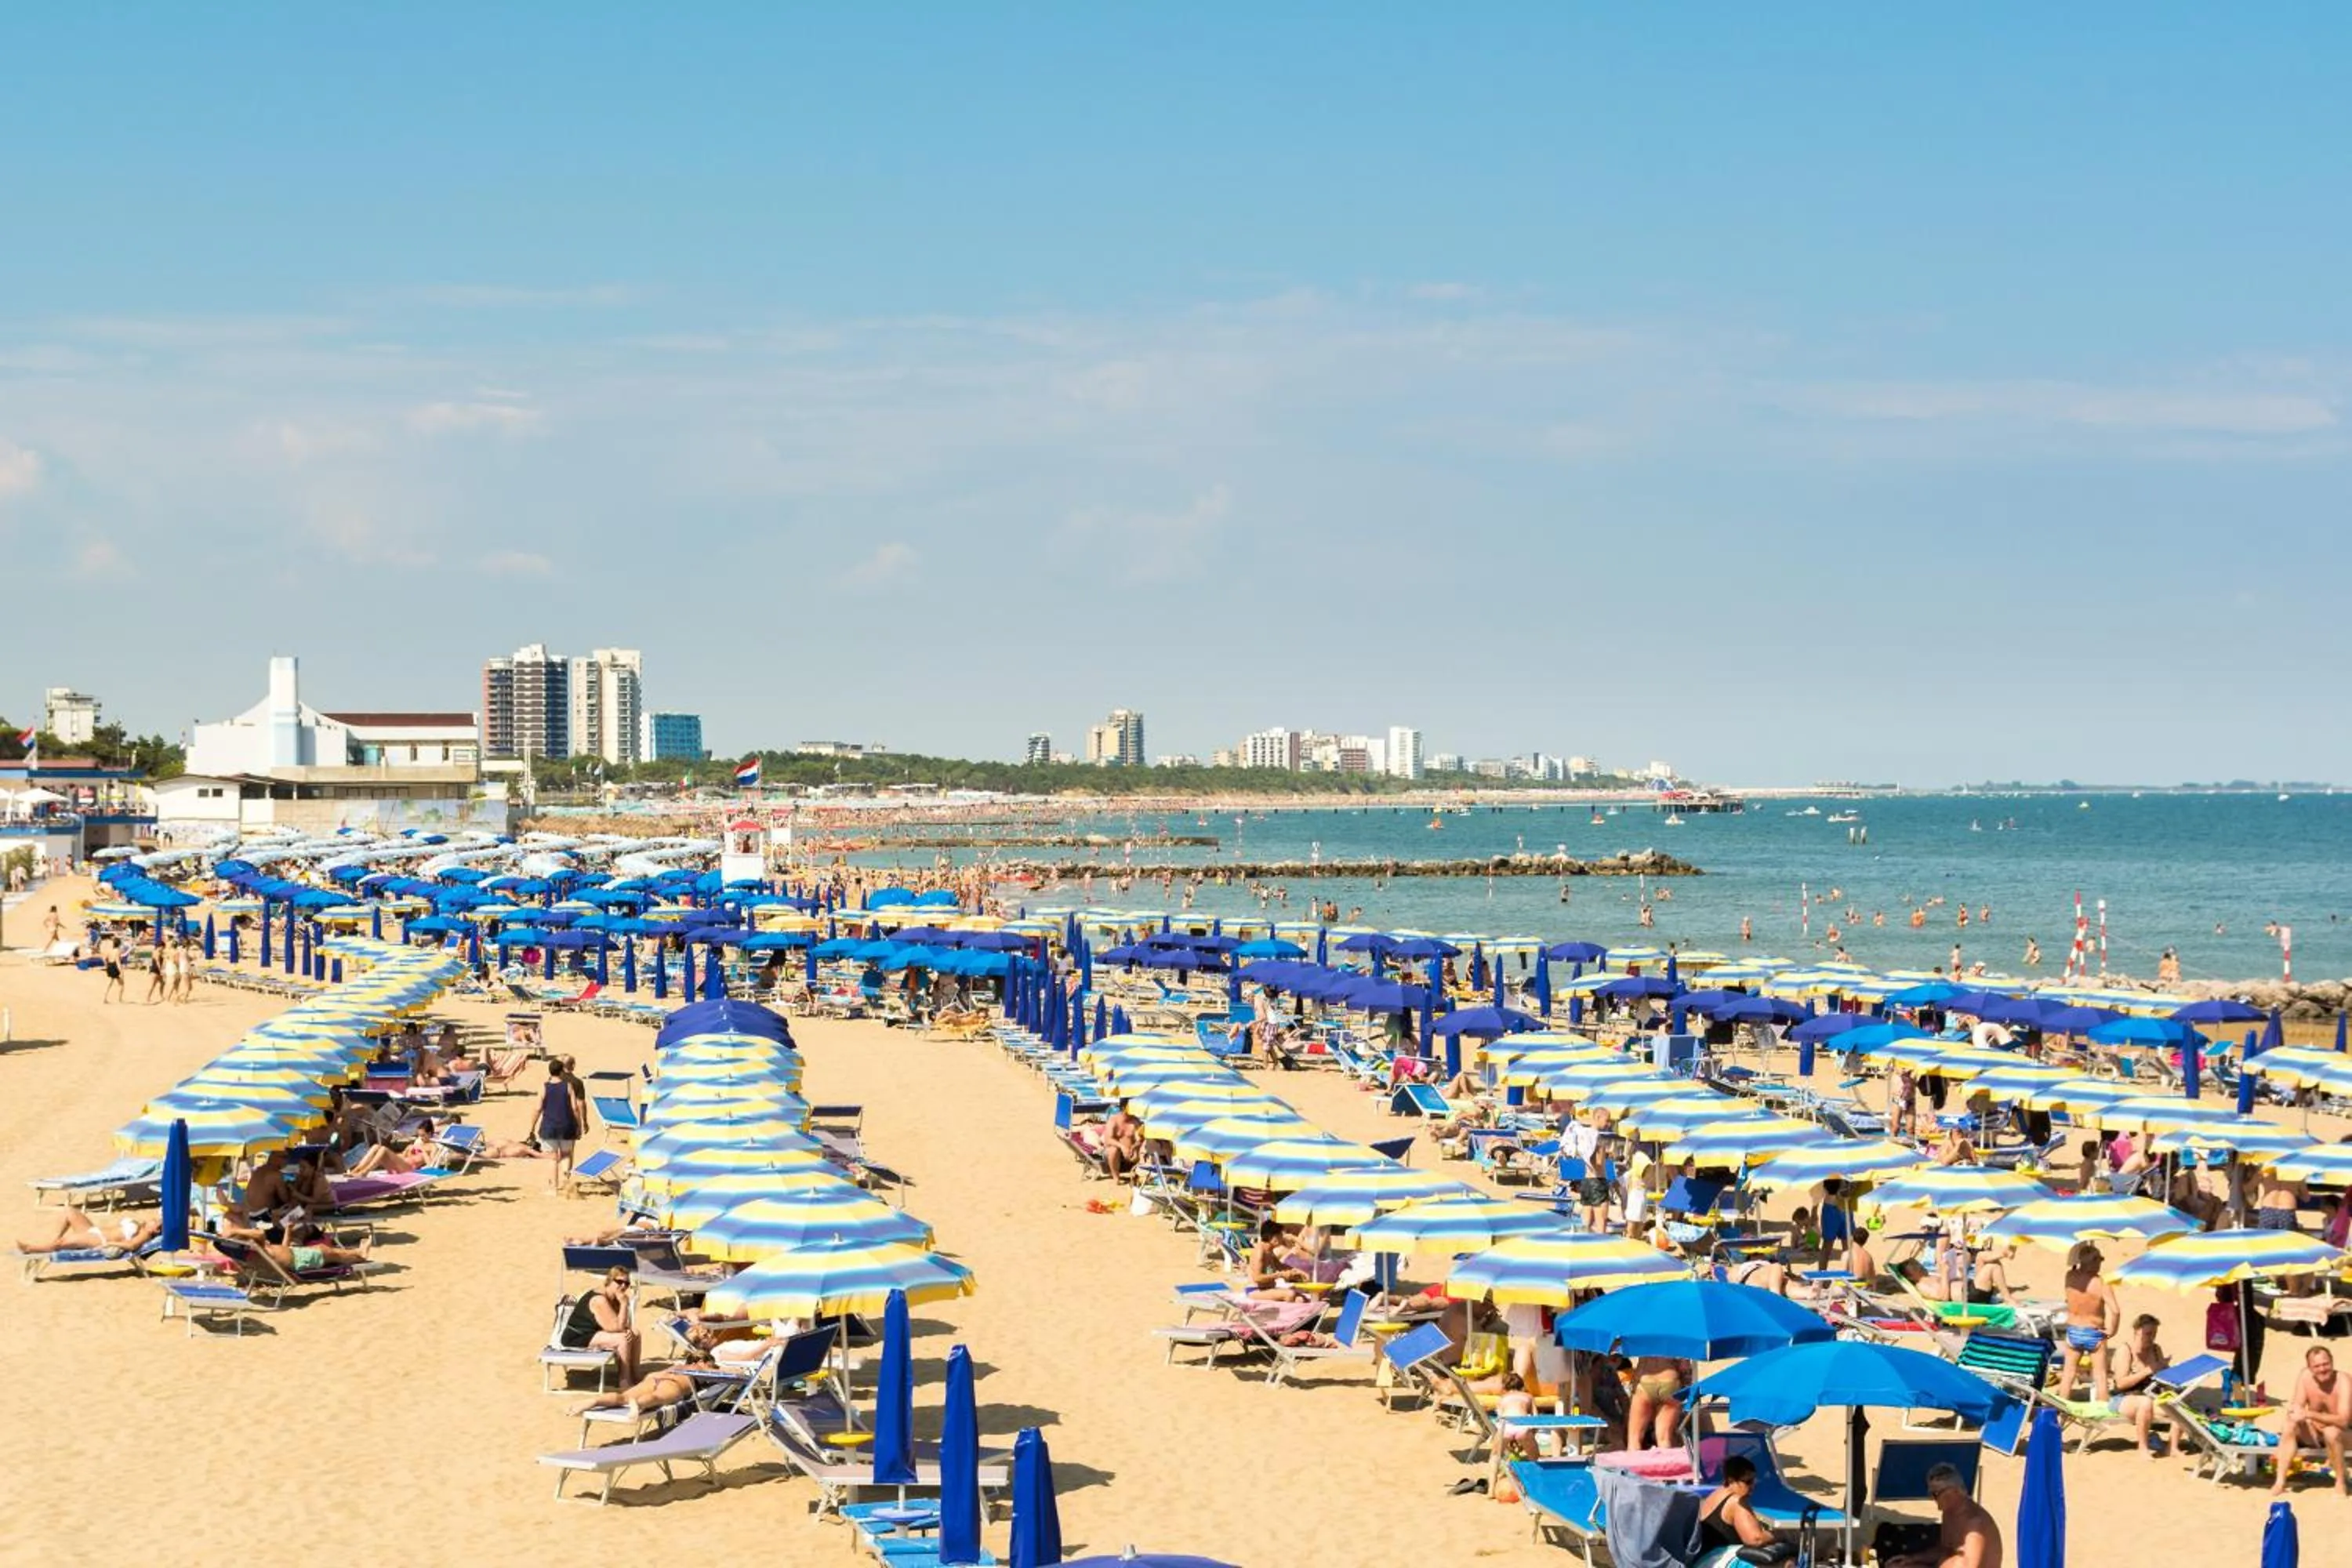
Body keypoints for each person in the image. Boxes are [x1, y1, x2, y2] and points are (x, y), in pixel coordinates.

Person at [1886, 1463, 2003, 1567]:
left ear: (1955, 1491)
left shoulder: (1975, 1524)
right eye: (1931, 1493)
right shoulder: (1949, 1513)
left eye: (1936, 1493)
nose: (1933, 1498)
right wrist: (1912, 1559)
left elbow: (1969, 1565)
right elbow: (1944, 1551)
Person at [2274, 1345, 2352, 1496]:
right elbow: (2296, 1409)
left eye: (2326, 1364)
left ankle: (2340, 1482)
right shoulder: (2305, 1377)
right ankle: (2280, 1482)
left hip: (2345, 1434)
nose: (2322, 1369)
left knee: (2331, 1432)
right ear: (2309, 1368)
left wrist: (2309, 1415)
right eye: (2317, 1366)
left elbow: (2344, 1421)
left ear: (2332, 1362)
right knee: (2290, 1425)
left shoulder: (2343, 1381)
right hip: (2316, 1433)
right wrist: (2296, 1414)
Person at [2056, 1242, 2118, 1405]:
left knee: (2068, 1373)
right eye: (2096, 1260)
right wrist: (2113, 1330)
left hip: (2074, 1330)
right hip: (2094, 1331)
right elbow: (2116, 1311)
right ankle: (2102, 1408)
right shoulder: (2102, 1283)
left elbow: (2073, 1270)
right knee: (2100, 1374)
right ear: (2088, 1262)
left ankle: (2060, 1407)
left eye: (2100, 1260)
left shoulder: (2069, 1277)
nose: (2099, 1263)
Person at [1697, 1456, 1789, 1561]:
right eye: (1748, 1482)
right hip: (1719, 1560)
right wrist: (1781, 1535)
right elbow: (1755, 1540)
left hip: (1704, 1559)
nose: (1753, 1486)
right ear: (1731, 1480)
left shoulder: (1716, 1493)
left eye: (1754, 1480)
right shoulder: (1737, 1501)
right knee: (1788, 1563)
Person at [561, 1266, 641, 1386]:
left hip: (594, 1331)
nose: (623, 1286)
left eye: (627, 1283)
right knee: (622, 1339)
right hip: (578, 1336)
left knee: (635, 1333)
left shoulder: (615, 1297)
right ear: (609, 1281)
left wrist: (627, 1329)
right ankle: (625, 1382)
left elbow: (622, 1324)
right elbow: (616, 1328)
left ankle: (636, 1376)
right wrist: (624, 1304)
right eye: (619, 1282)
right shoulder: (600, 1300)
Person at [2109, 1313, 2172, 1458]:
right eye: (2148, 1334)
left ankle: (2172, 1448)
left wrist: (2166, 1371)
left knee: (2176, 1406)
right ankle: (2143, 1449)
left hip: (2150, 1397)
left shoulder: (2156, 1350)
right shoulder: (2125, 1351)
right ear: (2137, 1331)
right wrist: (2148, 1370)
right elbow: (2121, 1383)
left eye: (2154, 1334)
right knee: (2145, 1404)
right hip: (2123, 1398)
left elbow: (2161, 1378)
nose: (2151, 1338)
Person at [16, 1207, 165, 1254]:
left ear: (156, 1231)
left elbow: (132, 1246)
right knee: (69, 1212)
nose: (155, 1220)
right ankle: (53, 1240)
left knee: (63, 1243)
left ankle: (30, 1248)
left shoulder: (145, 1234)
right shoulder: (142, 1225)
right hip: (93, 1230)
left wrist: (111, 1244)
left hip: (100, 1240)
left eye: (157, 1223)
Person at [1626, 1353, 1690, 1451]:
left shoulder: (1643, 1337)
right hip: (1670, 1380)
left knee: (1634, 1439)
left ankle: (1632, 1466)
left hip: (1646, 1379)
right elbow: (1684, 1367)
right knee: (1664, 1439)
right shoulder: (1679, 1337)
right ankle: (1666, 1465)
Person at [536, 1059, 584, 1189]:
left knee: (552, 1158)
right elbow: (575, 1108)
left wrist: (532, 1126)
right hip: (567, 1126)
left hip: (549, 1126)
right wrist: (579, 1125)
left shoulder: (544, 1087)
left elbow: (538, 1108)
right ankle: (565, 1178)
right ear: (562, 1071)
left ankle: (553, 1189)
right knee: (566, 1154)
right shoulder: (568, 1086)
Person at [1101, 1102, 1145, 1183]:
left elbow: (1140, 1139)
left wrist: (1135, 1147)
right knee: (1113, 1150)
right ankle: (1116, 1177)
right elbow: (1108, 1140)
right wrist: (1122, 1146)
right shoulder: (1113, 1121)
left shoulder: (1135, 1121)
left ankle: (1141, 1175)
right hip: (1114, 1153)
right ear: (1124, 1108)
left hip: (1131, 1152)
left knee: (1144, 1147)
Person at [98, 932, 125, 1004]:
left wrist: (106, 966)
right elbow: (118, 962)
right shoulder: (118, 951)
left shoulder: (110, 950)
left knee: (109, 983)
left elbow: (104, 958)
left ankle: (105, 998)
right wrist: (121, 971)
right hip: (115, 966)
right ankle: (120, 1000)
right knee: (121, 984)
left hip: (110, 965)